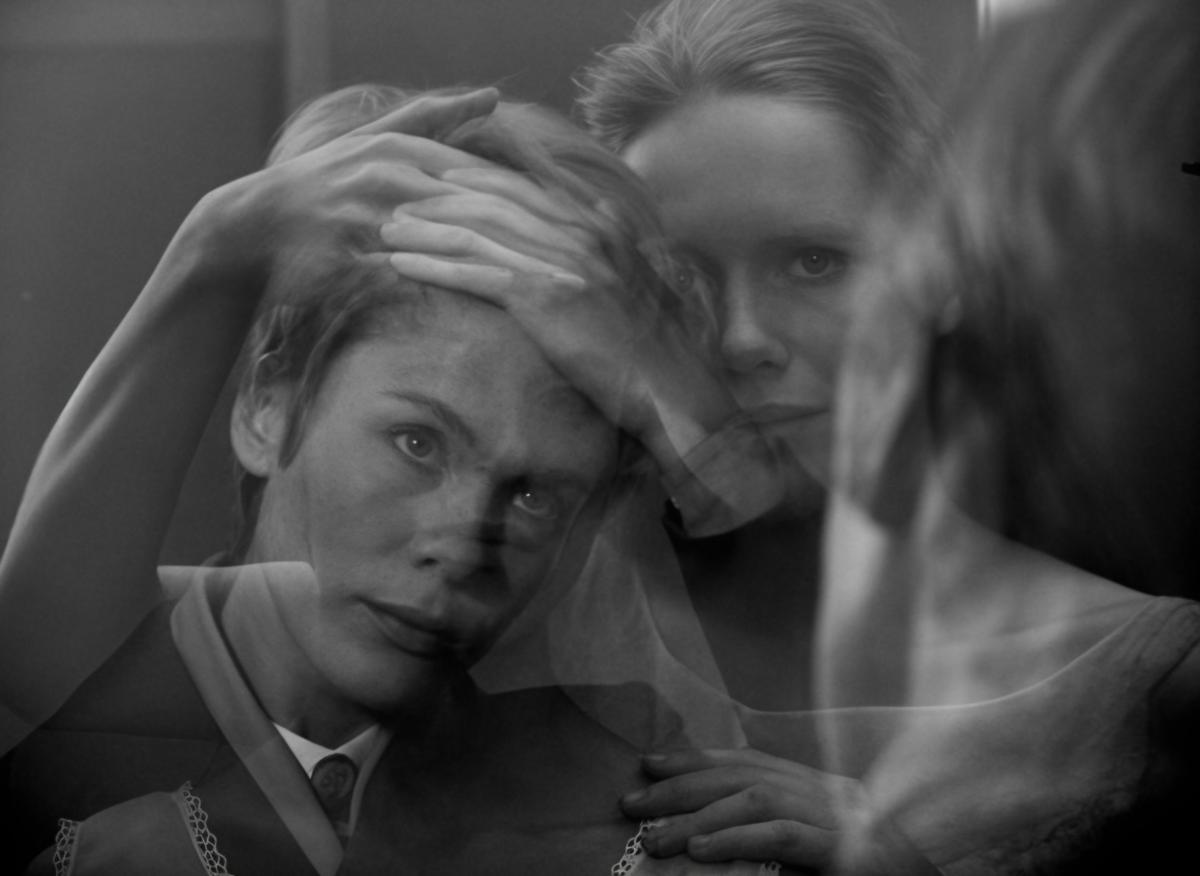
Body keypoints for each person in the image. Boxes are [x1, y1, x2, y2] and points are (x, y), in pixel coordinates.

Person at [0, 85, 762, 874]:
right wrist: (213, 247)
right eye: (417, 443)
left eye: (537, 494)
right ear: (266, 403)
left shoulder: (648, 810)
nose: (464, 544)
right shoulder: (62, 727)